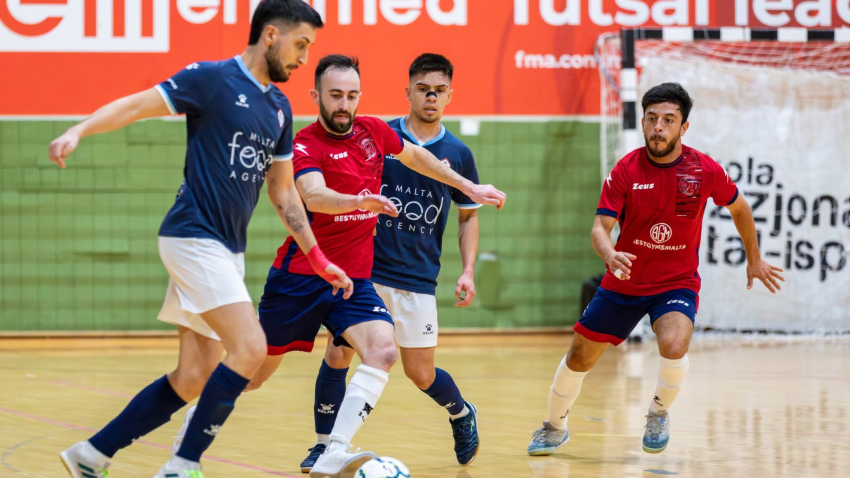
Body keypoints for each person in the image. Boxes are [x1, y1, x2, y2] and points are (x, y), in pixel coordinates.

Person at [49, 2, 349, 477]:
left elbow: (283, 190)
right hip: (192, 237)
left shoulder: (278, 108)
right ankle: (182, 466)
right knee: (251, 348)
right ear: (271, 35)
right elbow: (136, 104)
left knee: (193, 375)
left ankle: (91, 454)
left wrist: (316, 255)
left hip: (226, 251)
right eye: (301, 44)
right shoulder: (211, 79)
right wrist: (79, 129)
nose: (304, 58)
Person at [248, 54, 505, 478]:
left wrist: (468, 203)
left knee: (406, 365)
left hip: (393, 279)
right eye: (335, 95)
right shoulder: (336, 138)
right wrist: (359, 202)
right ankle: (317, 444)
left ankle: (447, 416)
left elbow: (445, 189)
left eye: (351, 95)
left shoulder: (428, 145)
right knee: (298, 364)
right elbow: (313, 194)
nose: (344, 104)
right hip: (334, 275)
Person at [526, 82, 785, 457]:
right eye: (652, 119)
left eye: (668, 120)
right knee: (579, 356)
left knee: (674, 344)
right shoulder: (626, 169)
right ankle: (554, 425)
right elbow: (600, 227)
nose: (658, 127)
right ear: (644, 122)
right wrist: (610, 253)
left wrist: (754, 257)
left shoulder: (703, 169)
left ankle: (658, 413)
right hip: (624, 282)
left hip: (675, 283)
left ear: (684, 127)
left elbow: (740, 208)